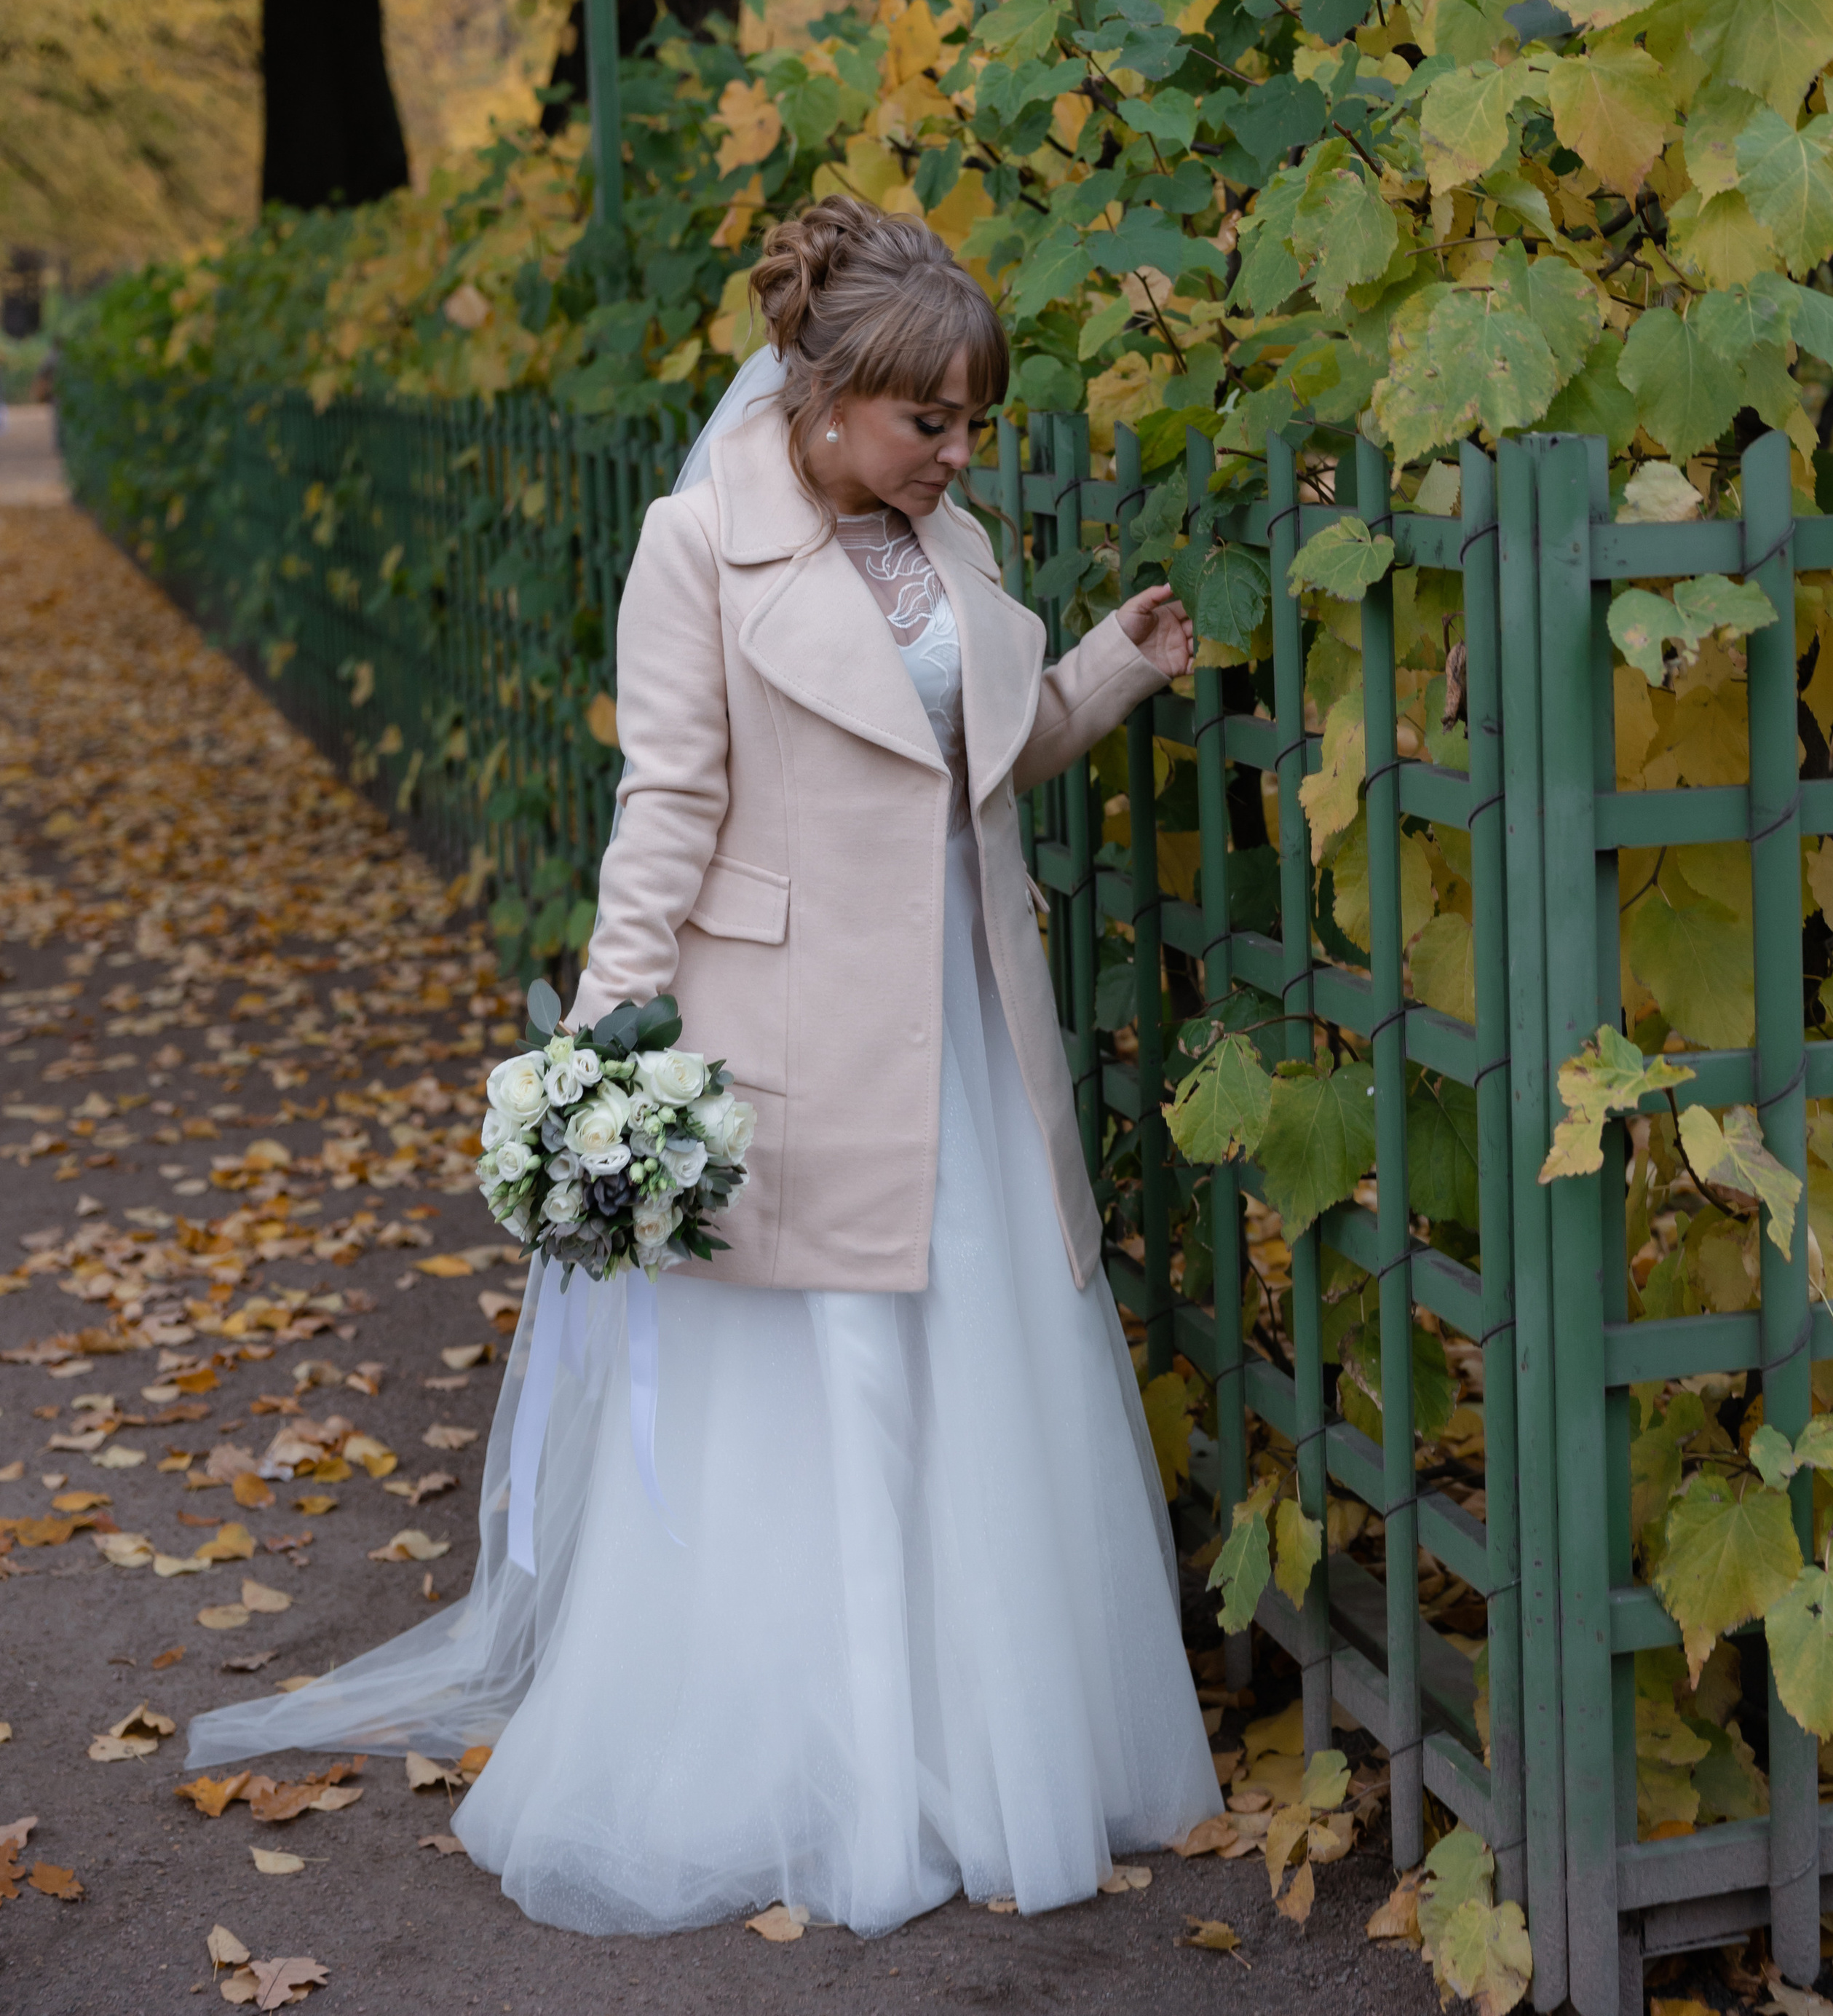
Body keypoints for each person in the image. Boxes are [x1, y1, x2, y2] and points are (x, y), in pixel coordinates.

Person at [188, 194, 1221, 1933]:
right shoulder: (694, 546)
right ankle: (828, 1777)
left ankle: (977, 1755)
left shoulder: (948, 549)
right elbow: (662, 812)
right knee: (822, 1396)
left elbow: (983, 751)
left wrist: (1108, 666)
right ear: (823, 397)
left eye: (971, 422)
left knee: (970, 1383)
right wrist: (603, 1053)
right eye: (926, 422)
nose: (956, 454)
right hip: (790, 1049)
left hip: (958, 1036)